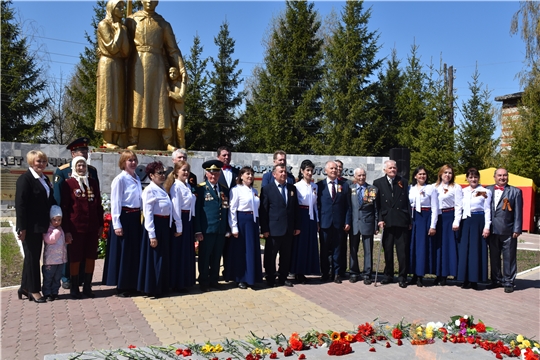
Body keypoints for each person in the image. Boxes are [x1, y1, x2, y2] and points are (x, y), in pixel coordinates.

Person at [125, 0, 187, 151]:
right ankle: (133, 139)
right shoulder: (132, 20)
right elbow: (123, 44)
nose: (149, 2)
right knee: (137, 101)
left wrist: (181, 67)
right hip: (137, 64)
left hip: (158, 65)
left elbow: (173, 49)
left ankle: (167, 141)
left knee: (161, 101)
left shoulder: (163, 24)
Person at [53, 137, 99, 290]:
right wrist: (59, 222)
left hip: (89, 222)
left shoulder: (91, 171)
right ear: (73, 153)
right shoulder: (63, 171)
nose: (84, 153)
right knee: (71, 251)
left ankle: (82, 280)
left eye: (86, 151)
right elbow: (59, 200)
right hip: (71, 221)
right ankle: (67, 277)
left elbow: (95, 198)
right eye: (81, 151)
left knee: (86, 252)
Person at [15, 150, 56, 303]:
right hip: (30, 226)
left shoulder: (44, 178)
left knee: (32, 257)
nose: (41, 164)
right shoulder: (25, 179)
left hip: (41, 224)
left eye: (44, 161)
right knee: (32, 257)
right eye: (38, 161)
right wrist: (22, 227)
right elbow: (20, 205)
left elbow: (49, 200)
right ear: (31, 162)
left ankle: (24, 287)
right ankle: (34, 290)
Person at [61, 156, 104, 299]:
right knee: (75, 257)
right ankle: (74, 288)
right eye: (78, 165)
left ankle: (87, 286)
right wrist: (66, 230)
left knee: (91, 256)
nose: (81, 168)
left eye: (83, 165)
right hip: (76, 228)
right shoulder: (69, 184)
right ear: (74, 167)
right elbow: (65, 209)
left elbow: (98, 205)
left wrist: (100, 225)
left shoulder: (92, 183)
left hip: (91, 227)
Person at [101, 150, 142, 297]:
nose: (133, 163)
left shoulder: (137, 178)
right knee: (124, 253)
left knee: (133, 253)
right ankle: (122, 286)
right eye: (129, 160)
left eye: (134, 160)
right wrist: (116, 224)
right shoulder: (120, 179)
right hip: (124, 216)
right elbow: (116, 202)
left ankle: (133, 283)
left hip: (135, 217)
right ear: (123, 163)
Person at [95, 0, 130, 149]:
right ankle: (107, 140)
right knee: (107, 101)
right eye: (119, 7)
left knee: (118, 102)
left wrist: (122, 30)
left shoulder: (121, 27)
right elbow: (113, 48)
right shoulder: (104, 24)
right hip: (107, 64)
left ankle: (116, 138)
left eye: (123, 7)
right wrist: (120, 32)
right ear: (111, 8)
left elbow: (126, 51)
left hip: (119, 66)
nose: (122, 9)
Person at [260, 164, 301, 287]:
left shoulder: (292, 188)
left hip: (288, 229)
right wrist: (265, 229)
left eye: (285, 172)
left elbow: (295, 209)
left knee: (286, 255)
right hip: (273, 229)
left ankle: (283, 277)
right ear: (274, 174)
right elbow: (264, 211)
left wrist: (297, 226)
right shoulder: (267, 189)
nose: (284, 174)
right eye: (281, 171)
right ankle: (270, 277)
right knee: (270, 255)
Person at [373, 160, 411, 288]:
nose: (393, 170)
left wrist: (409, 220)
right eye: (390, 168)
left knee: (402, 252)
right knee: (388, 251)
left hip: (401, 221)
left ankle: (402, 277)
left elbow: (407, 202)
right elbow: (377, 205)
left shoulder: (403, 181)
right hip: (386, 221)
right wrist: (379, 219)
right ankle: (388, 275)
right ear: (385, 170)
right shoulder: (378, 183)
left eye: (394, 168)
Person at [137, 161, 172, 298]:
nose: (163, 175)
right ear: (151, 175)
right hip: (154, 225)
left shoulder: (162, 189)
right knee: (154, 258)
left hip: (163, 225)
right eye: (159, 173)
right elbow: (148, 213)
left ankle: (162, 286)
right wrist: (152, 234)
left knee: (162, 256)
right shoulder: (150, 190)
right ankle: (152, 288)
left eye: (164, 173)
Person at [194, 160, 230, 292]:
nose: (213, 176)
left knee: (216, 256)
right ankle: (203, 280)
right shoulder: (201, 188)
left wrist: (226, 228)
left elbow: (226, 210)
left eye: (216, 173)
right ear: (206, 173)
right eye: (211, 173)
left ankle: (214, 280)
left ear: (220, 174)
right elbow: (197, 211)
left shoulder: (224, 190)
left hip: (220, 229)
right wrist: (198, 230)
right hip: (207, 229)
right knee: (204, 256)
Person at [226, 166, 262, 289]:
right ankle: (240, 278)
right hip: (242, 221)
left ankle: (252, 277)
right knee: (241, 251)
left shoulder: (254, 191)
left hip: (252, 222)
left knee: (252, 250)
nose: (250, 176)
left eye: (251, 174)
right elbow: (232, 209)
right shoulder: (236, 190)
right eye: (247, 174)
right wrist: (234, 227)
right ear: (241, 176)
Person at [487, 168, 523, 293]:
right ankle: (496, 280)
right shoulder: (487, 190)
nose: (502, 177)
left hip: (508, 230)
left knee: (509, 256)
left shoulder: (515, 191)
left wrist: (517, 228)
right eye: (500, 175)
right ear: (494, 177)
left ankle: (509, 281)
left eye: (505, 175)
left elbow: (518, 212)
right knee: (494, 256)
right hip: (491, 230)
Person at [317, 161, 351, 284]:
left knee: (337, 249)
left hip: (338, 223)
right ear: (326, 170)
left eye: (336, 168)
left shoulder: (344, 185)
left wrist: (347, 221)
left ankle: (336, 273)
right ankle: (325, 273)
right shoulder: (319, 185)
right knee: (324, 250)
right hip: (325, 223)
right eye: (331, 168)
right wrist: (317, 222)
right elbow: (317, 206)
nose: (334, 170)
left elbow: (347, 206)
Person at [457, 168, 491, 290]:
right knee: (464, 249)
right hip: (465, 221)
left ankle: (475, 279)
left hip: (478, 221)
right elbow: (459, 207)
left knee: (476, 250)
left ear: (478, 178)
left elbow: (487, 210)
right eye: (471, 177)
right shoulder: (462, 191)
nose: (473, 179)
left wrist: (487, 227)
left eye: (475, 177)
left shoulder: (484, 191)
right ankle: (464, 278)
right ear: (467, 178)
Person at [166, 160, 196, 292]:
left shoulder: (187, 186)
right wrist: (179, 226)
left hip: (188, 220)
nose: (186, 172)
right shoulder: (176, 187)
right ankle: (176, 283)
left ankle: (185, 281)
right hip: (180, 220)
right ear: (176, 172)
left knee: (186, 253)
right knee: (179, 253)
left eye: (187, 170)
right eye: (183, 170)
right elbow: (176, 208)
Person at [408, 166, 439, 287]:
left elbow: (435, 208)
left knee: (421, 247)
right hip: (413, 218)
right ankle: (413, 274)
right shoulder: (410, 188)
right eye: (419, 174)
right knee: (412, 246)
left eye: (424, 174)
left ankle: (420, 275)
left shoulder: (431, 188)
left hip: (424, 217)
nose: (422, 176)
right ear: (415, 176)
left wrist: (433, 225)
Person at [291, 160, 320, 284]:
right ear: (302, 171)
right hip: (301, 215)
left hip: (311, 217)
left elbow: (315, 205)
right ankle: (298, 271)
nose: (309, 173)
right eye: (307, 170)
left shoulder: (315, 186)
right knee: (300, 245)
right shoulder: (297, 186)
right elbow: (295, 205)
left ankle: (308, 269)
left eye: (311, 170)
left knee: (310, 244)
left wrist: (317, 221)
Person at [433, 164, 463, 286]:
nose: (447, 175)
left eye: (450, 173)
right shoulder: (433, 187)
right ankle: (437, 273)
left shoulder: (456, 187)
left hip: (449, 216)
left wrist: (456, 221)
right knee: (437, 246)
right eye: (445, 172)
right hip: (436, 218)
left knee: (447, 246)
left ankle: (446, 274)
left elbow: (459, 205)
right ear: (440, 173)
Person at [349, 167, 378, 285]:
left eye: (363, 175)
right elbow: (349, 207)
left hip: (368, 223)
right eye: (359, 175)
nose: (361, 177)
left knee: (368, 251)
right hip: (354, 223)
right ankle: (353, 272)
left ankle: (367, 274)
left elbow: (375, 209)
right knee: (353, 249)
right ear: (355, 177)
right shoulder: (350, 189)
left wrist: (376, 225)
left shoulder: (371, 189)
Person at [42, 205, 67, 301]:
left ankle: (55, 292)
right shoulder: (49, 229)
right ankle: (47, 293)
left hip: (60, 259)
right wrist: (56, 232)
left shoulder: (60, 229)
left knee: (57, 278)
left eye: (59, 220)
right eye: (55, 220)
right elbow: (49, 240)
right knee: (48, 277)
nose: (57, 222)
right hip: (50, 260)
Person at [168, 66, 187, 148]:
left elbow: (181, 97)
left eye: (174, 72)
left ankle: (182, 146)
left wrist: (170, 94)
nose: (172, 74)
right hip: (170, 111)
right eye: (170, 73)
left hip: (180, 112)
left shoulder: (181, 84)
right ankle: (174, 147)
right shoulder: (167, 84)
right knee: (171, 132)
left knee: (180, 129)